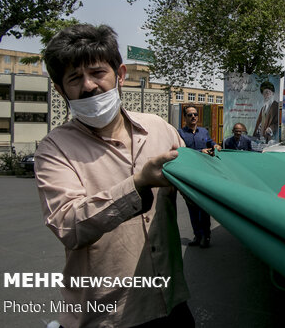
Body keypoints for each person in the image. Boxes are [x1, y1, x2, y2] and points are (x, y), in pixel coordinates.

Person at [34, 24, 194, 328]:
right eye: (74, 78)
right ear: (60, 89)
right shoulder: (54, 150)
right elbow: (68, 225)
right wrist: (137, 184)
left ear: (119, 74)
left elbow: (196, 183)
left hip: (173, 302)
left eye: (97, 73)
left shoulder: (160, 128)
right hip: (111, 316)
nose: (89, 86)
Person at [178, 106, 221, 248]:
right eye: (190, 115)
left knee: (204, 207)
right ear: (185, 117)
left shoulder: (204, 131)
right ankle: (197, 235)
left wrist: (215, 145)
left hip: (204, 174)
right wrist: (199, 151)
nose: (193, 117)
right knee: (192, 208)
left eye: (195, 114)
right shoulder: (180, 133)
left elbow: (210, 142)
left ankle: (206, 236)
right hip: (189, 176)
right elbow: (181, 152)